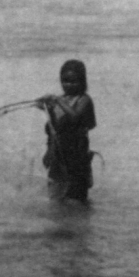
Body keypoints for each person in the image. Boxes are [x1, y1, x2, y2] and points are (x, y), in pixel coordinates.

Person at [36, 59, 97, 203]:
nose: (68, 85)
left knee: (76, 200)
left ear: (82, 82)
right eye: (65, 81)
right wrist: (47, 108)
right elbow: (53, 129)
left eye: (73, 81)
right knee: (56, 199)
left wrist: (57, 101)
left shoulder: (84, 100)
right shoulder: (61, 100)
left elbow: (74, 117)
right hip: (58, 155)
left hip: (77, 156)